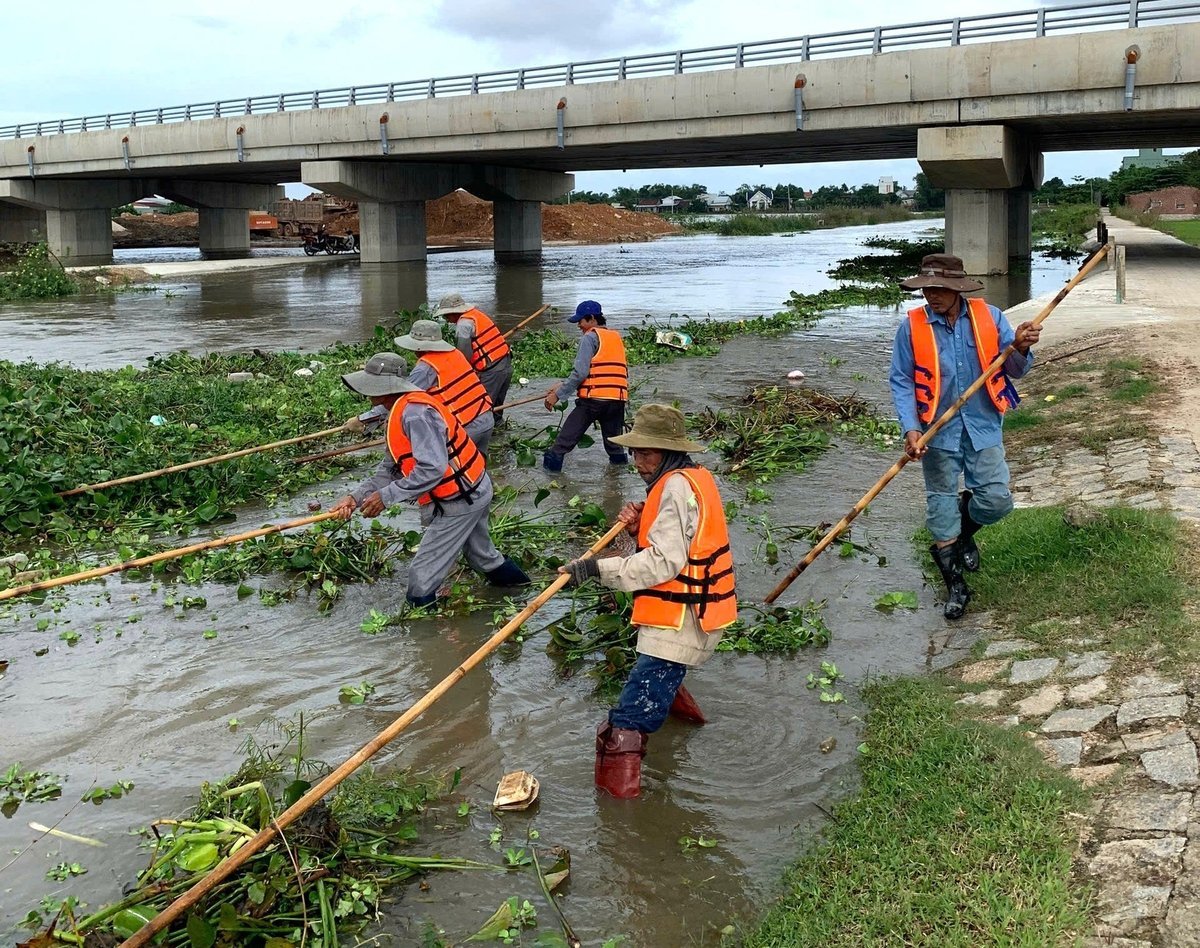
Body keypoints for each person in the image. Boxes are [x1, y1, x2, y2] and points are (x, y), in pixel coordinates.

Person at [559, 404, 737, 799]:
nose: (638, 462)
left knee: (623, 724)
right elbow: (684, 539)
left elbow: (664, 562)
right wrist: (644, 526)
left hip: (682, 620)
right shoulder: (694, 477)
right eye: (636, 453)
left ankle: (619, 816)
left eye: (647, 453)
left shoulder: (673, 487)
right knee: (657, 682)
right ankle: (682, 723)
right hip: (699, 611)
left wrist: (597, 569)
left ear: (668, 453)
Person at [889, 253, 1041, 621]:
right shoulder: (911, 327)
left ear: (957, 289)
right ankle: (956, 585)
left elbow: (1016, 370)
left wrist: (1020, 346)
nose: (931, 296)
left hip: (983, 424)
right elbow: (901, 380)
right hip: (935, 432)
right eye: (926, 288)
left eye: (939, 289)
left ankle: (964, 525)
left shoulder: (989, 317)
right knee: (940, 502)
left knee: (996, 501)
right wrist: (911, 430)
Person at [329, 353, 529, 607]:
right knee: (483, 557)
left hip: (462, 498)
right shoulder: (401, 410)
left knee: (421, 579)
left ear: (387, 387)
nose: (367, 392)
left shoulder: (415, 414)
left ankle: (426, 637)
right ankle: (525, 593)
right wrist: (355, 498)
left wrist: (386, 497)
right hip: (474, 488)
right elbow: (389, 470)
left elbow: (433, 469)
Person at [541, 300, 629, 473]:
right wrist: (562, 383)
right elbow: (609, 370)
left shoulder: (589, 337)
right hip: (616, 401)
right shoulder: (616, 338)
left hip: (593, 401)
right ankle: (618, 481)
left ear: (591, 319)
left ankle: (550, 478)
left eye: (580, 321)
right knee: (614, 446)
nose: (579, 325)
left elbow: (580, 373)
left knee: (562, 444)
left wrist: (557, 394)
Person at [393, 319, 496, 456]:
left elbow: (402, 399)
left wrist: (364, 419)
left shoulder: (425, 367)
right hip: (486, 418)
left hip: (466, 427)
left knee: (448, 471)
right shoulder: (455, 353)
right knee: (476, 468)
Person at [433, 293, 513, 421]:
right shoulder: (476, 315)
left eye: (446, 315)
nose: (446, 319)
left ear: (453, 313)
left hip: (492, 371)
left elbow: (464, 355)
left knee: (481, 407)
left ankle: (485, 435)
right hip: (505, 364)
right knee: (497, 406)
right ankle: (498, 431)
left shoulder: (463, 325)